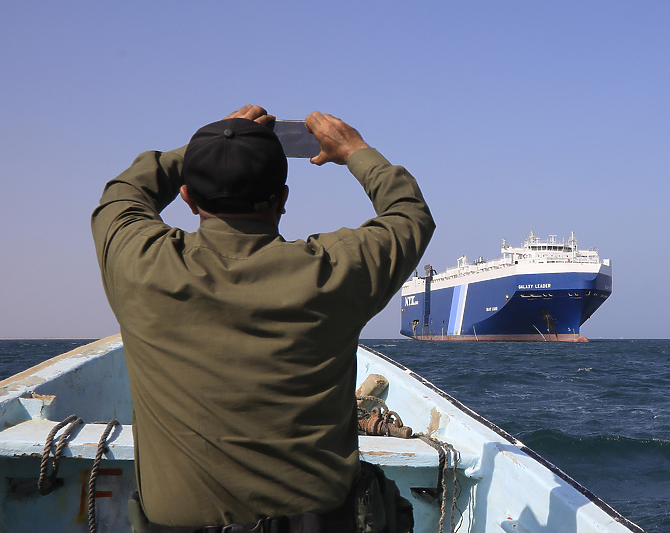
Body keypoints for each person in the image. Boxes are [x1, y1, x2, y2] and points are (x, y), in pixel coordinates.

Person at [91, 104, 434, 532]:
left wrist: (211, 144)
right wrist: (353, 148)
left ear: (187, 196)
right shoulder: (335, 272)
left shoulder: (139, 265)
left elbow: (123, 193)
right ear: (283, 200)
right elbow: (409, 214)